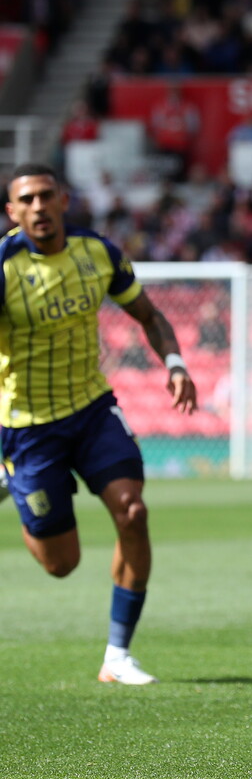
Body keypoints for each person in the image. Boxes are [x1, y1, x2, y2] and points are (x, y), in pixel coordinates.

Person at [1, 163, 198, 684]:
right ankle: (13, 482)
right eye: (27, 200)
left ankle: (117, 655)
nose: (39, 207)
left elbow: (150, 316)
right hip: (28, 428)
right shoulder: (4, 269)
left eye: (47, 196)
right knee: (60, 564)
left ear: (64, 200)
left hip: (91, 410)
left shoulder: (99, 254)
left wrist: (175, 365)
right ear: (13, 212)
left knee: (133, 513)